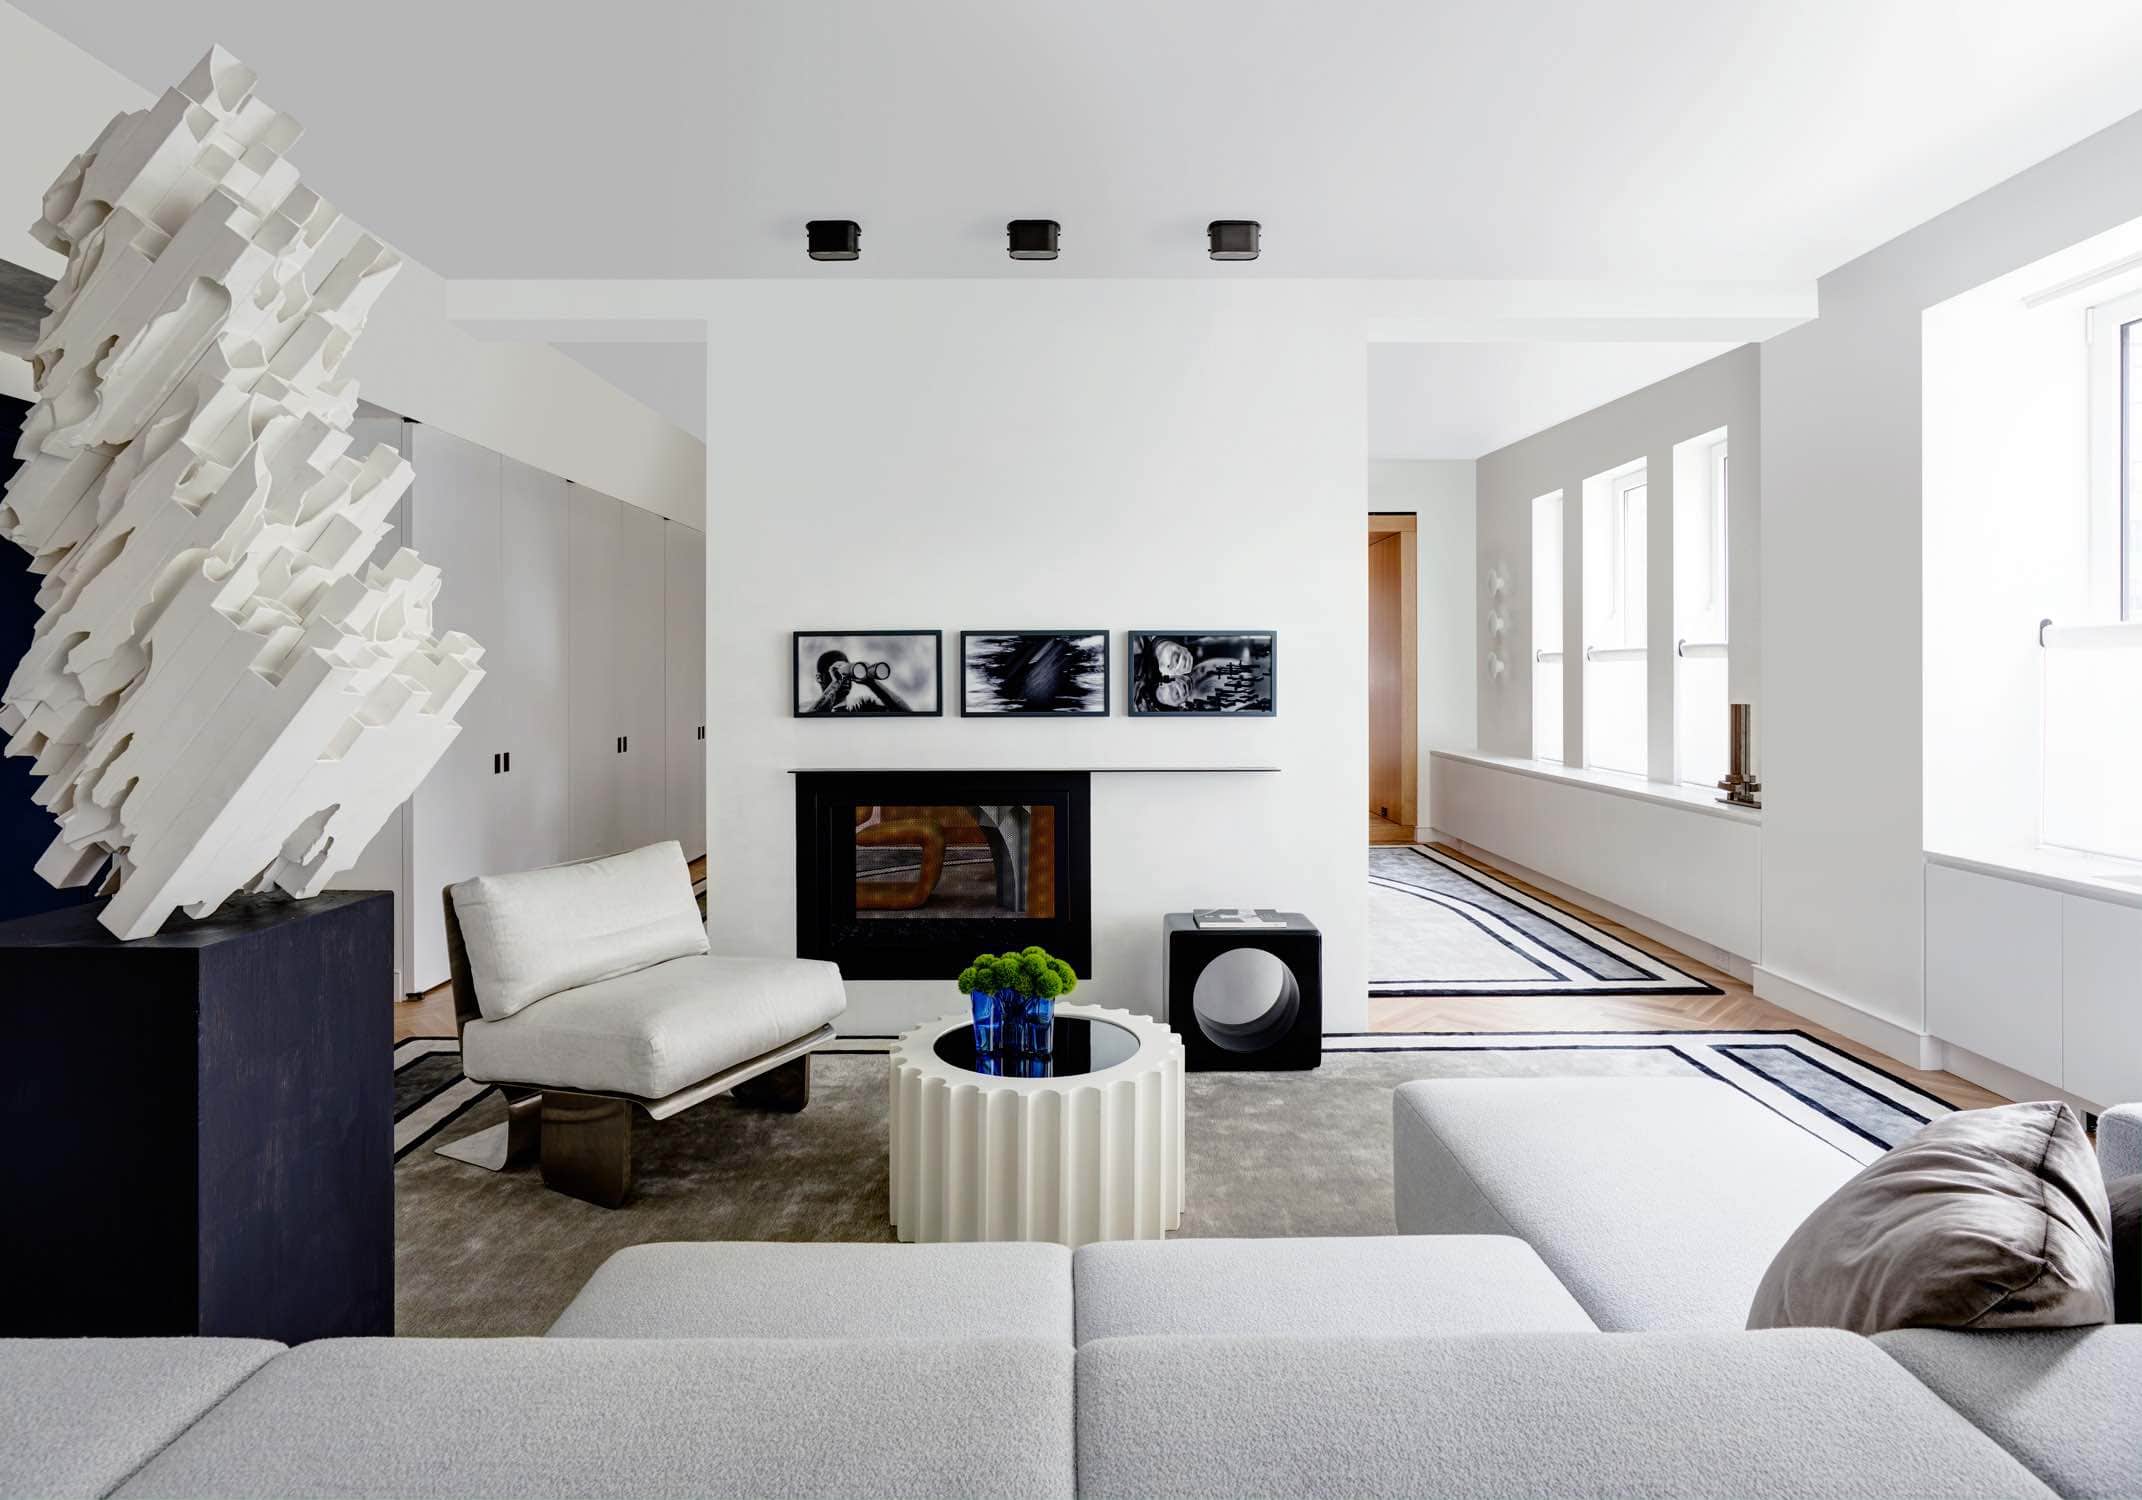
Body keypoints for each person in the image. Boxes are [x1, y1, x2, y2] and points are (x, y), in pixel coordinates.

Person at [809, 649, 913, 714]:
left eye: (847, 671)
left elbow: (907, 713)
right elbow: (813, 717)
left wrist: (871, 682)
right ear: (819, 678)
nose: (845, 678)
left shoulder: (864, 706)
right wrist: (836, 683)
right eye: (837, 671)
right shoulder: (806, 707)